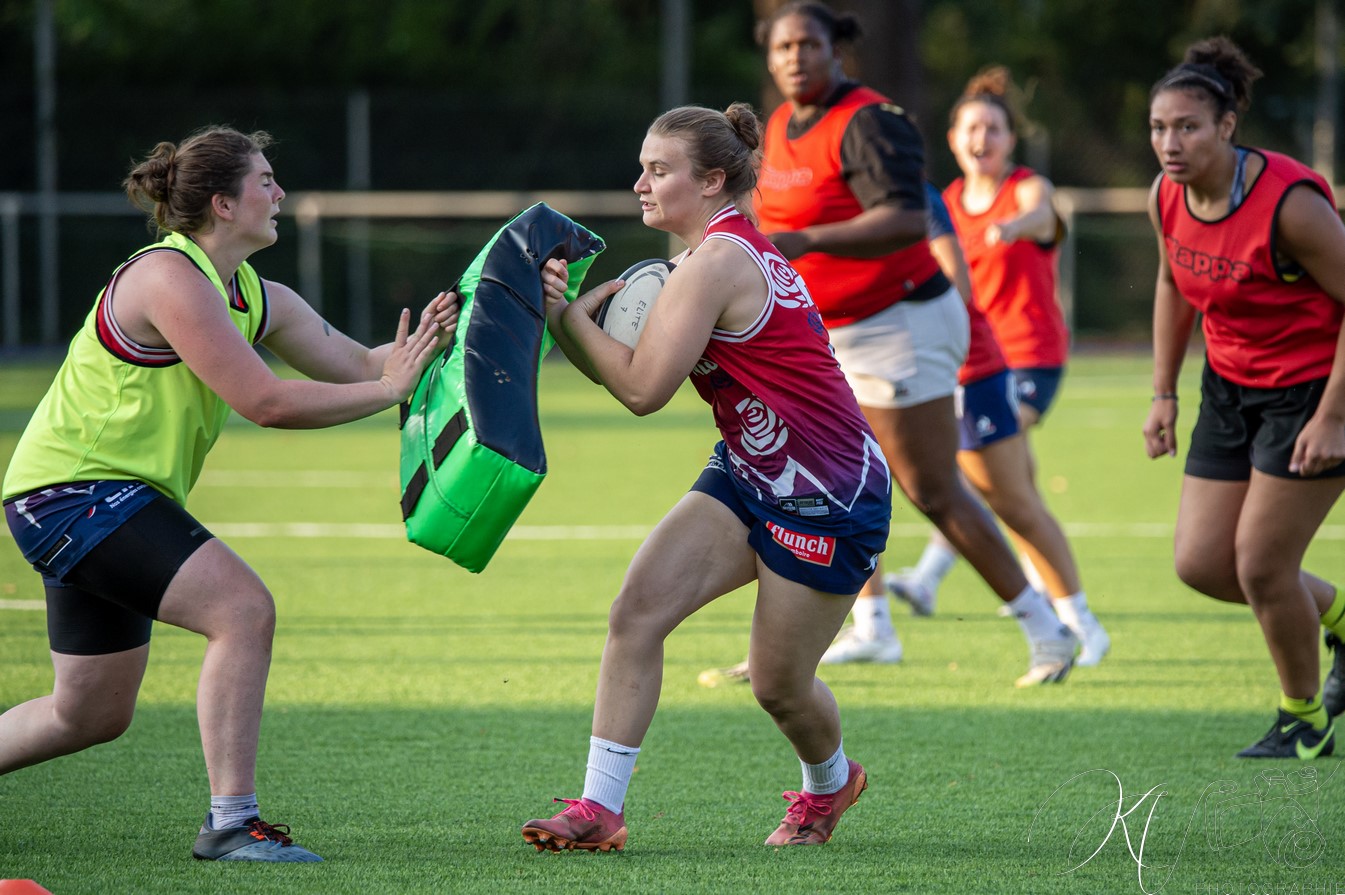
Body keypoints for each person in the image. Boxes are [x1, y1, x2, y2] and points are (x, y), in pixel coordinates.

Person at [0, 126, 458, 859]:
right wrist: (387, 388)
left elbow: (357, 362)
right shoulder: (167, 278)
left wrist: (447, 329)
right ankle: (231, 823)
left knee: (86, 713)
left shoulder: (254, 293)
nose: (279, 194)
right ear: (222, 201)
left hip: (90, 498)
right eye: (267, 181)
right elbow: (266, 401)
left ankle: (228, 821)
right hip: (77, 493)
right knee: (242, 609)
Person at [520, 102, 886, 851]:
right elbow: (624, 372)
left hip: (824, 493)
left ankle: (831, 783)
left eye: (659, 170)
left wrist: (566, 320)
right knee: (637, 610)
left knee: (776, 683)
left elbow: (639, 392)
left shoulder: (716, 262)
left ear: (713, 179)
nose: (639, 185)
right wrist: (574, 324)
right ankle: (600, 807)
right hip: (752, 469)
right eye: (643, 168)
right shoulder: (694, 262)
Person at [698, 0, 1075, 690]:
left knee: (931, 486)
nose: (793, 58)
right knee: (809, 478)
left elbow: (907, 219)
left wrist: (808, 241)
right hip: (829, 332)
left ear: (834, 47)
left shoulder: (867, 120)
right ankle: (858, 631)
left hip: (904, 321)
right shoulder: (779, 126)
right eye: (781, 47)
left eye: (807, 44)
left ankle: (1046, 628)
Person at [1142, 37, 1345, 757]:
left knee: (1261, 565)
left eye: (1187, 126)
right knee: (1201, 563)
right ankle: (1341, 616)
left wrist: (1333, 416)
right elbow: (1172, 281)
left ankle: (1303, 718)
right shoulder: (1165, 194)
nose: (1170, 142)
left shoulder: (1287, 204)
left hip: (1314, 391)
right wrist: (1163, 392)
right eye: (1159, 127)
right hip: (1228, 386)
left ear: (1227, 126)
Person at [887, 67, 1109, 666]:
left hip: (1030, 358)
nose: (981, 138)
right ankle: (1062, 612)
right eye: (970, 129)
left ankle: (944, 578)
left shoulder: (1026, 190)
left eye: (993, 129)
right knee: (1010, 490)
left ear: (1011, 140)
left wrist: (1013, 226)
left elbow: (1045, 216)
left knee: (989, 483)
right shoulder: (946, 205)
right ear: (954, 139)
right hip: (971, 363)